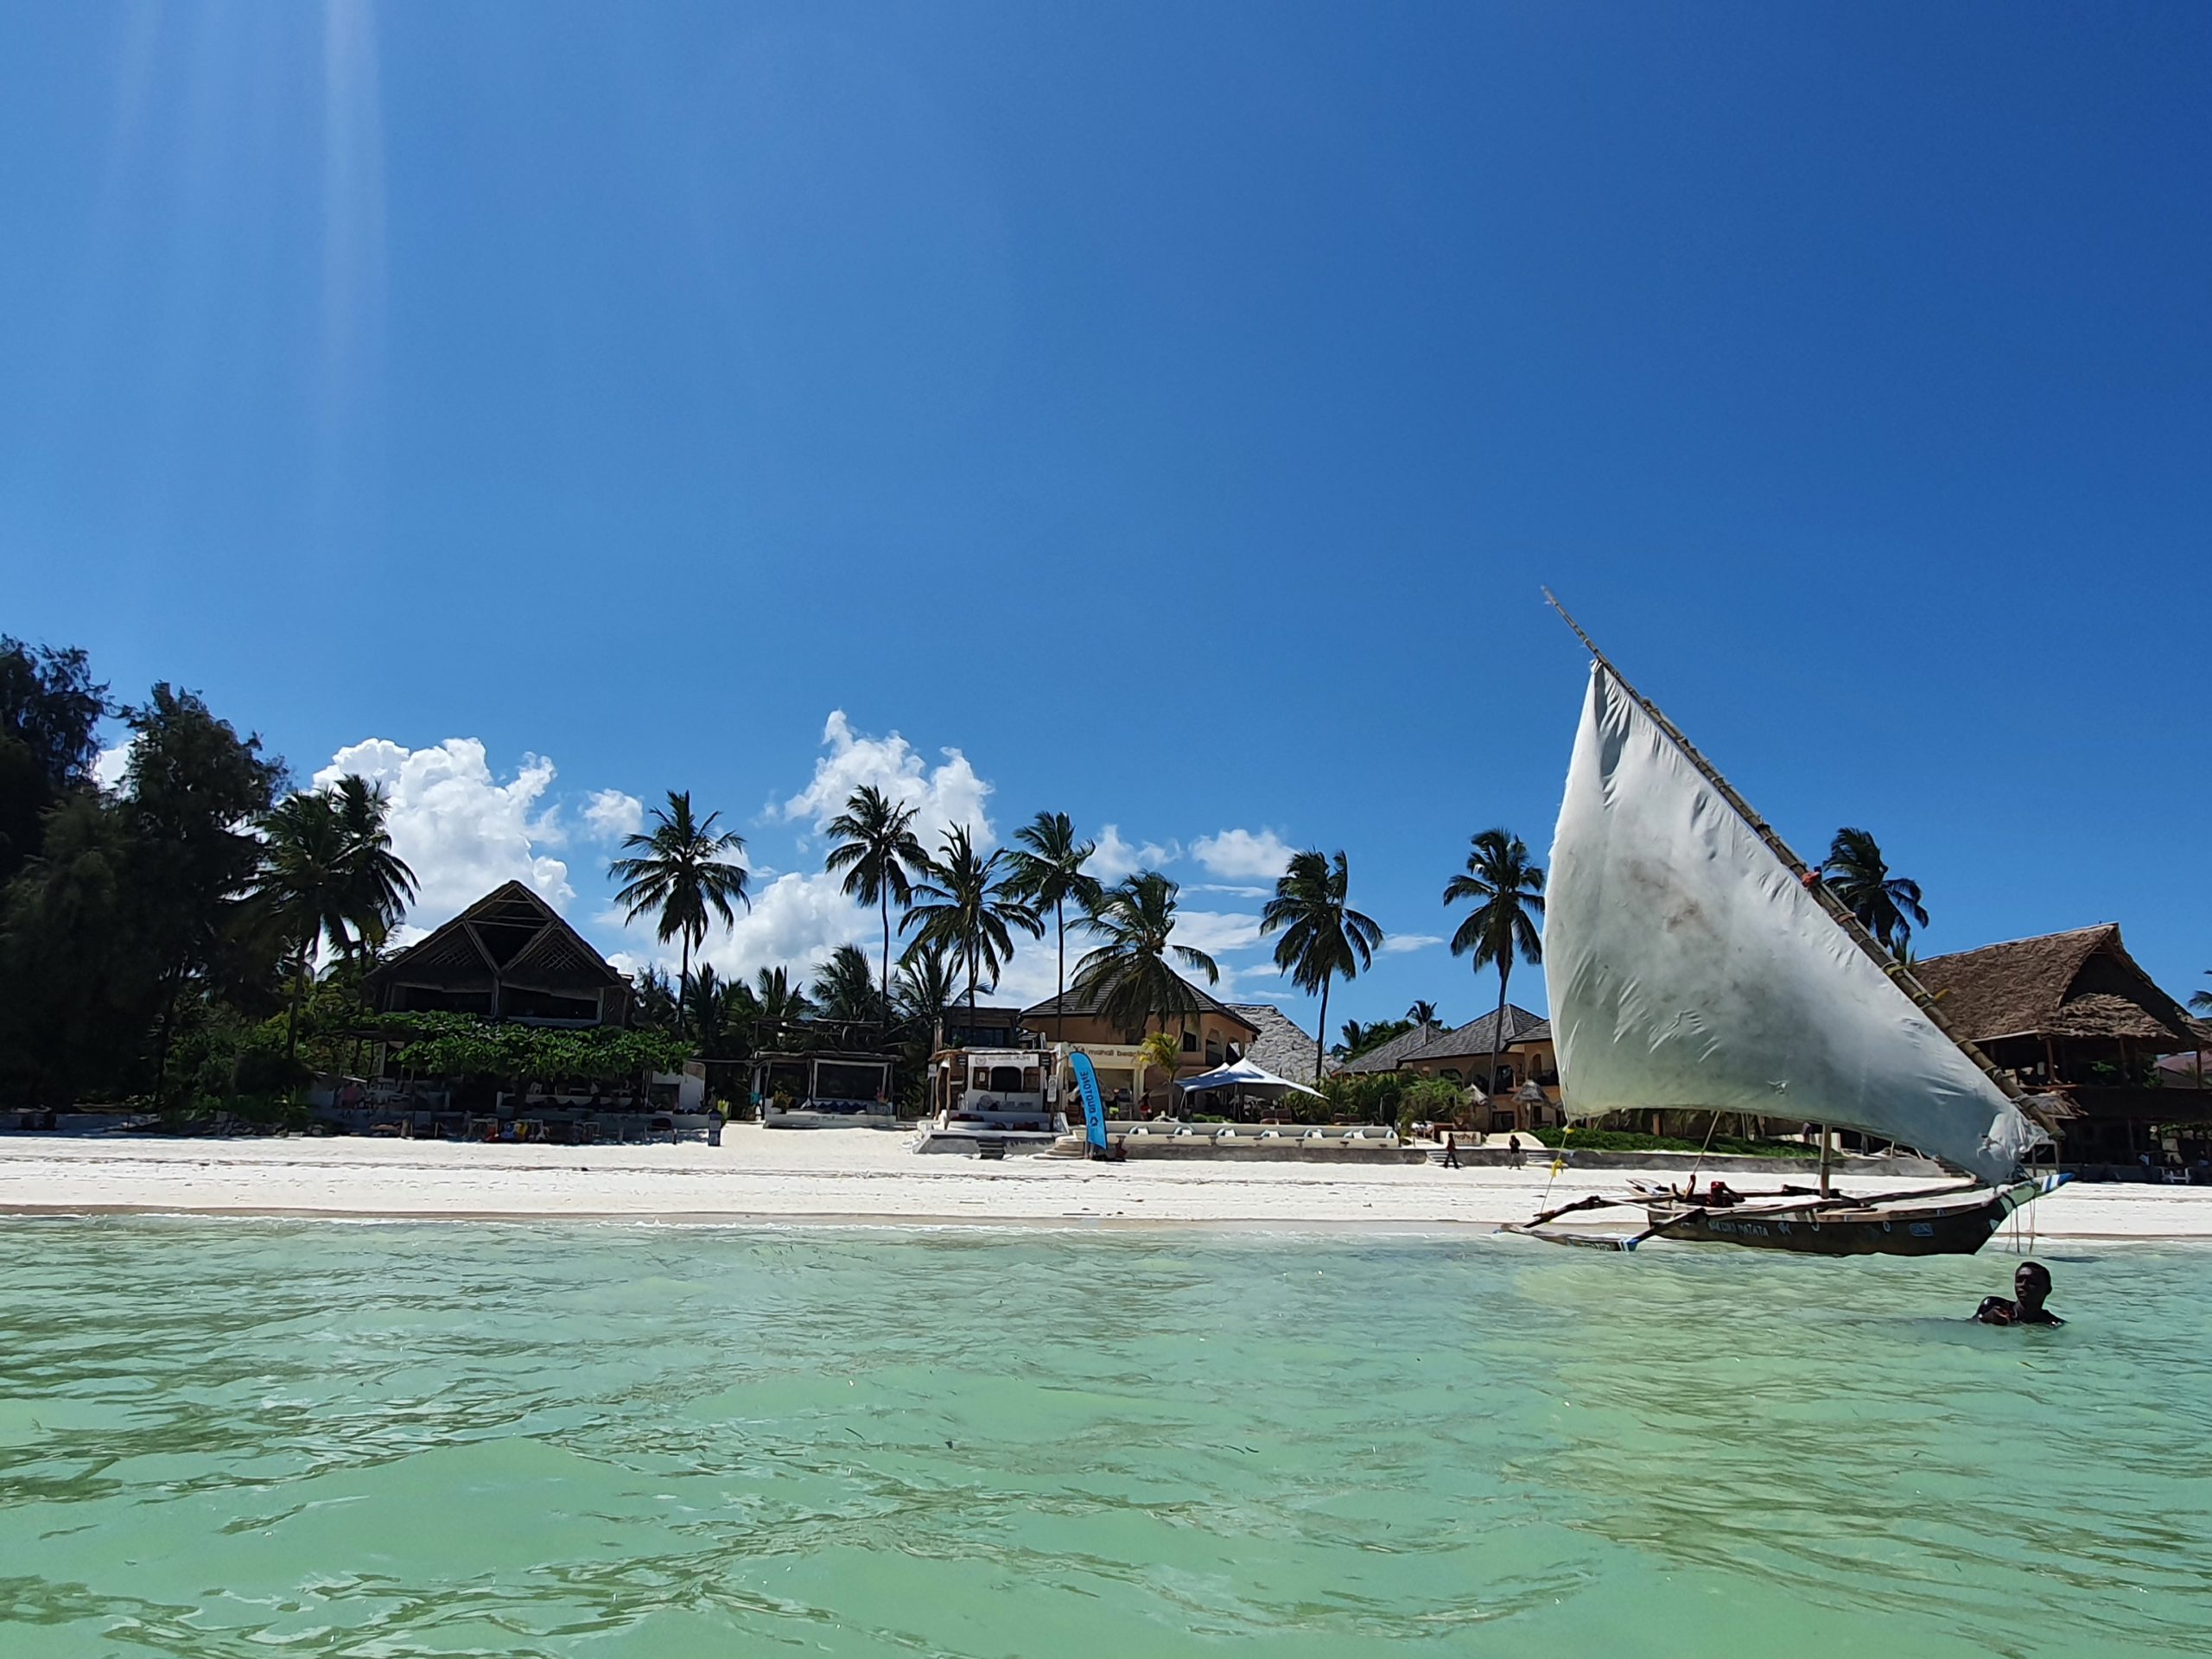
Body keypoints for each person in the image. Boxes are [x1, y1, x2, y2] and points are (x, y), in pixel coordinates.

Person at [1974, 1260, 2063, 1326]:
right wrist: (1985, 1319)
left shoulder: (2052, 1323)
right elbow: (1970, 1326)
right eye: (2019, 1280)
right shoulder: (1992, 1305)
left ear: (2048, 1290)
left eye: (2032, 1282)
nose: (2023, 1285)